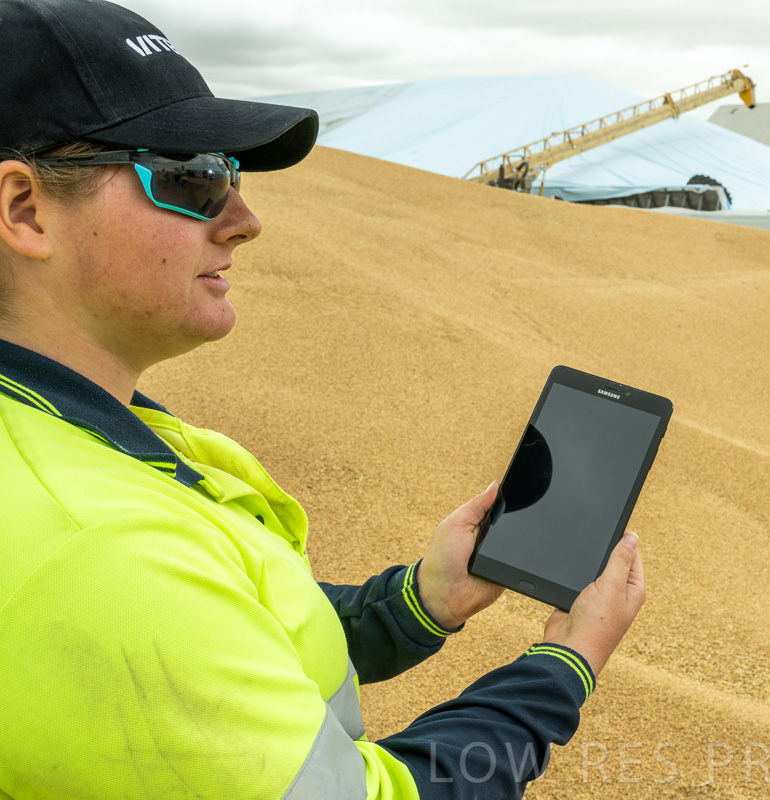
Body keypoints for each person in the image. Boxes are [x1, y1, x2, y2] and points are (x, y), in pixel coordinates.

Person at [0, 1, 646, 798]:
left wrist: (421, 601)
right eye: (192, 176)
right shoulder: (100, 550)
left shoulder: (76, 426)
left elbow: (233, 630)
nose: (244, 220)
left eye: (232, 175)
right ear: (26, 210)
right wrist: (565, 665)